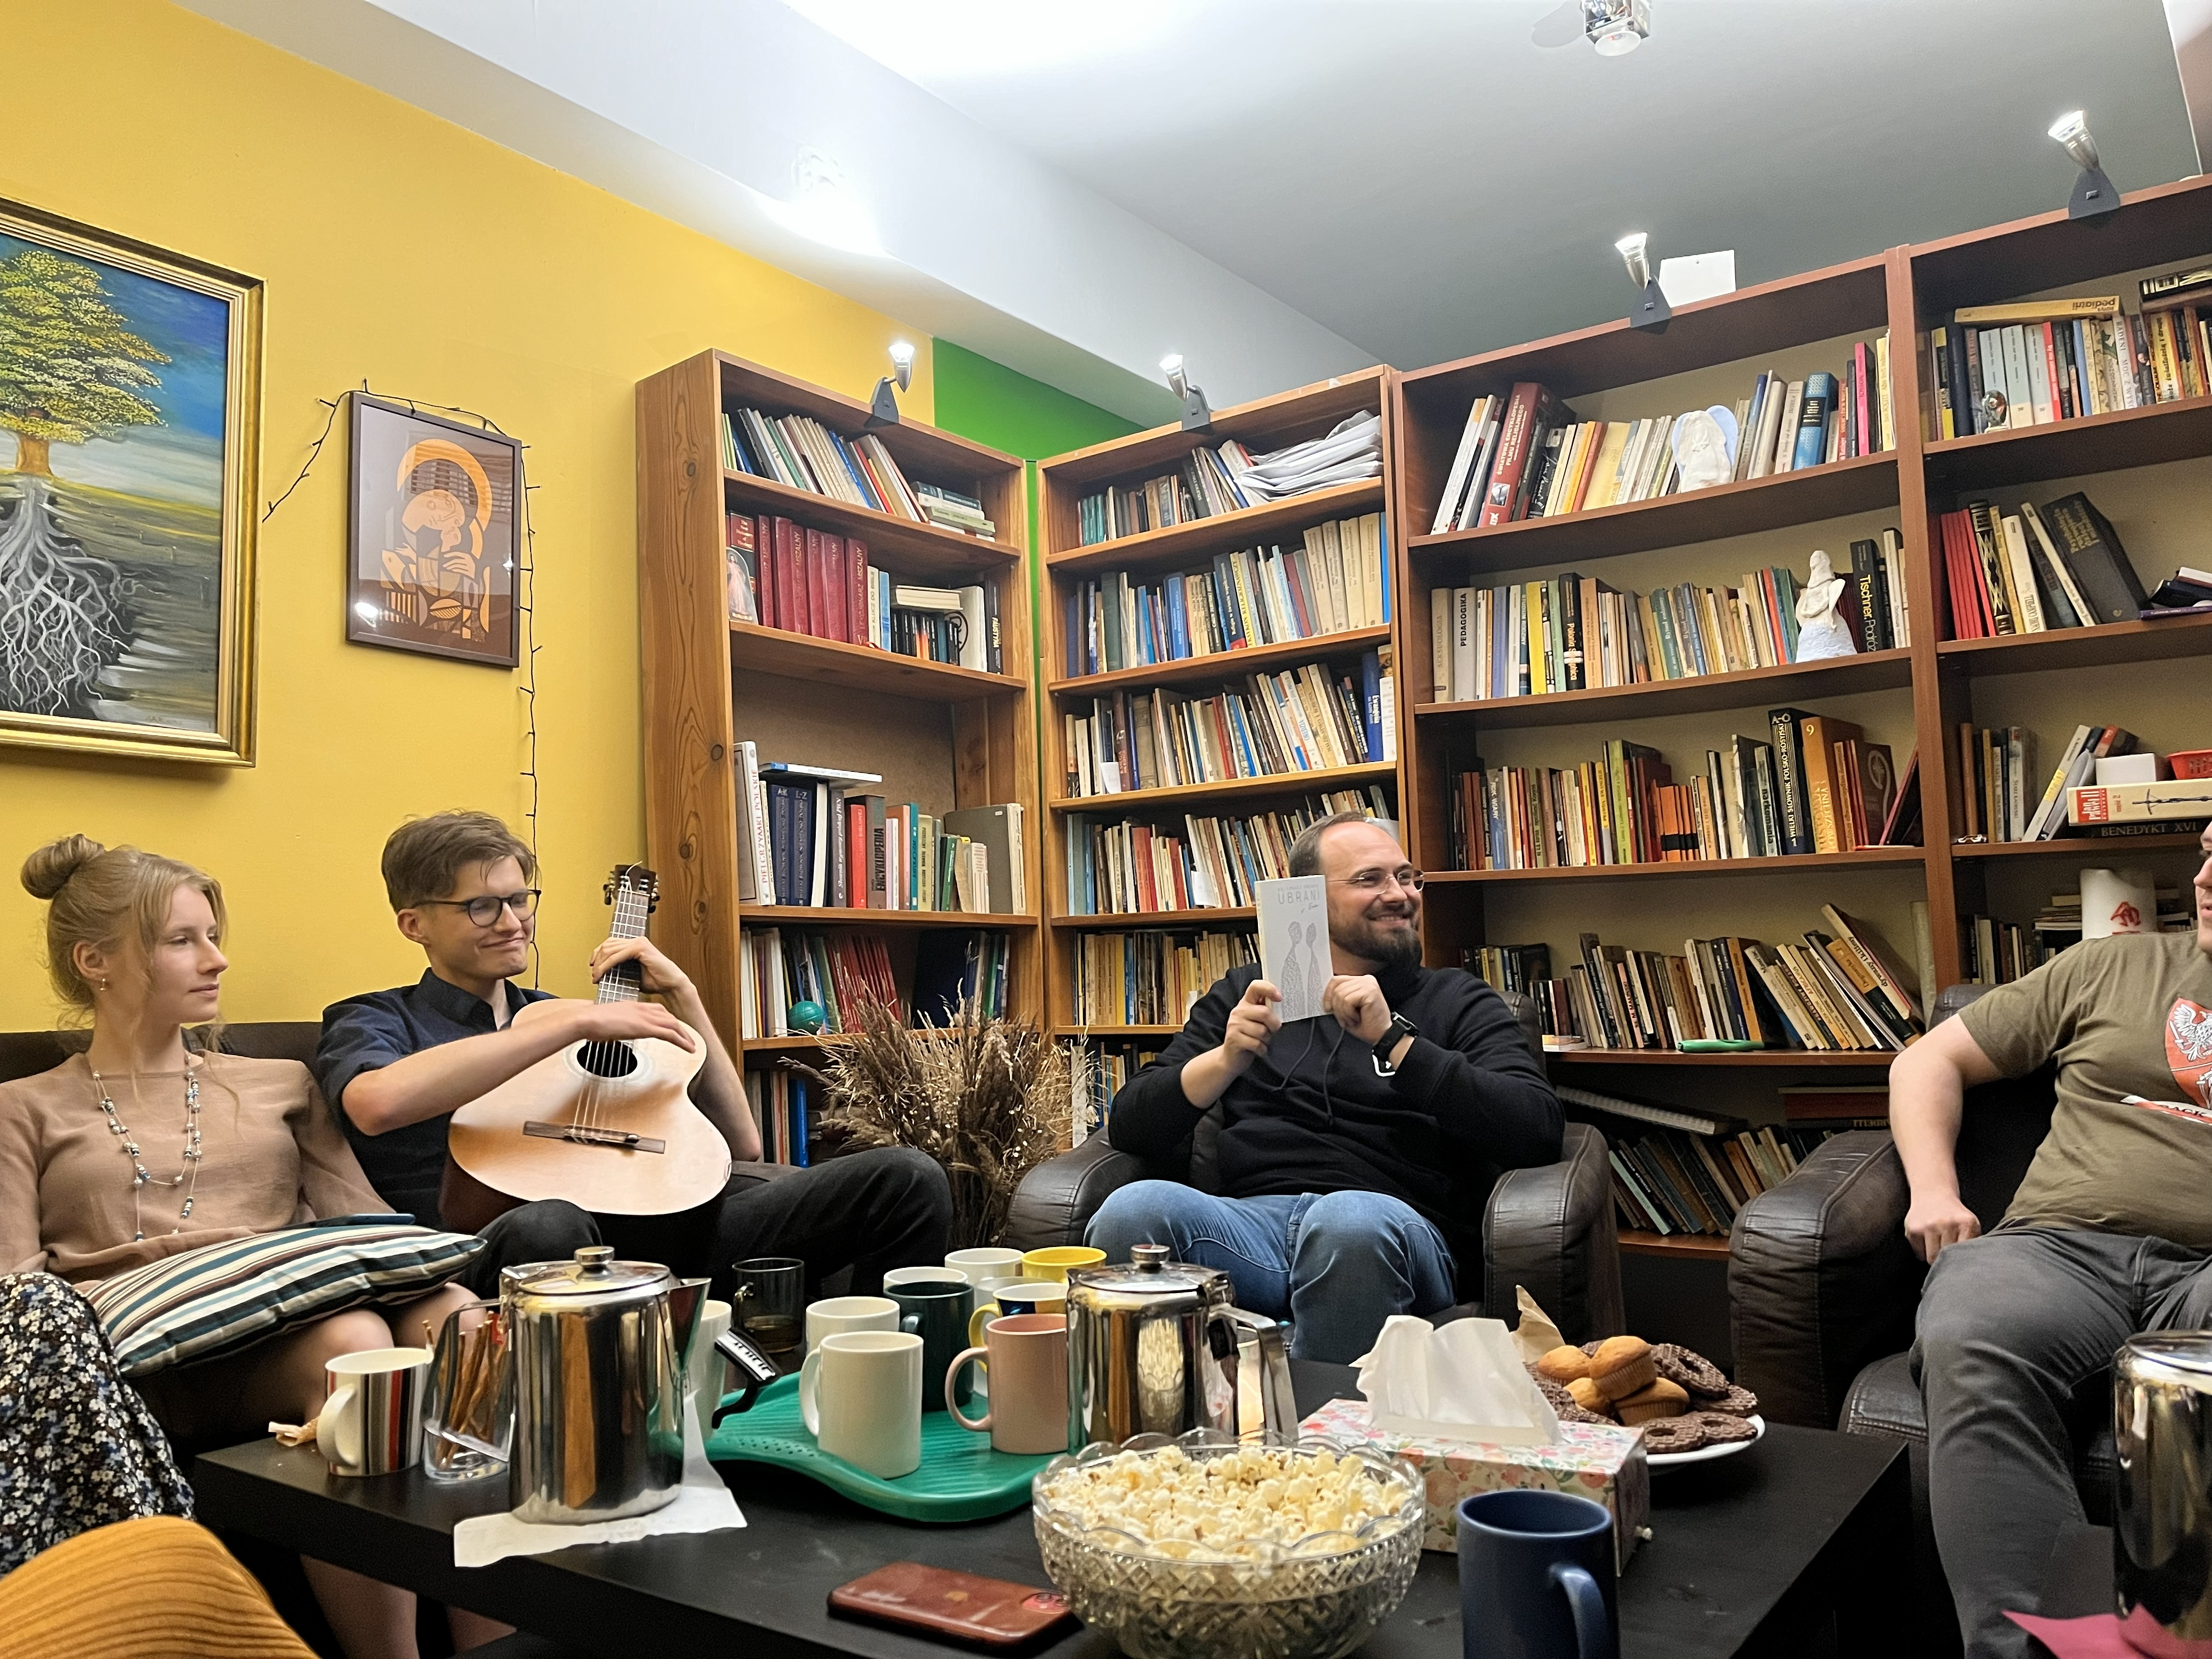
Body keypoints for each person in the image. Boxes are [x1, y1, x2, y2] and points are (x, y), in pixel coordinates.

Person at [0, 836, 492, 1659]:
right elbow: (17, 1293)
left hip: (295, 1308)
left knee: (465, 1325)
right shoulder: (22, 1107)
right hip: (160, 1365)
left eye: (213, 935)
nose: (217, 960)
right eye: (181, 940)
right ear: (95, 961)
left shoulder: (279, 1082)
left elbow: (365, 1225)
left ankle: (495, 1645)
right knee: (353, 1346)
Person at [313, 811, 951, 1302]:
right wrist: (576, 1022)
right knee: (552, 1224)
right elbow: (375, 1103)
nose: (511, 922)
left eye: (520, 899)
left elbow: (742, 1143)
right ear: (415, 925)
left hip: (654, 1229)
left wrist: (683, 996)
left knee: (906, 1176)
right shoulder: (376, 1016)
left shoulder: (577, 1020)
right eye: (482, 907)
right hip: (509, 1239)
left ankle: (889, 1377)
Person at [1892, 822, 2212, 1659]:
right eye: (2211, 854)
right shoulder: (2109, 966)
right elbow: (1926, 1063)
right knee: (1970, 1331)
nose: (2208, 878)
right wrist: (1934, 1191)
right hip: (2056, 1253)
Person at [1085, 811, 1564, 1363]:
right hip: (1252, 1228)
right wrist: (1225, 1059)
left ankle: (1332, 1421)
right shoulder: (1249, 994)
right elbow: (1131, 1125)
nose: (1400, 894)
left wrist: (1393, 1039)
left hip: (1395, 1228)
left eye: (1407, 877)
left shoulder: (1459, 1000)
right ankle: (1152, 1417)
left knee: (1347, 1223)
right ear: (1307, 900)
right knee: (1133, 1209)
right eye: (1370, 880)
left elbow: (1536, 1128)